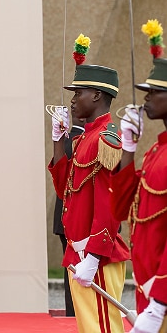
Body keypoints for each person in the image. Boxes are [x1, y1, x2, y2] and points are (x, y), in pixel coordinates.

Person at [48, 63, 130, 333]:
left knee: (104, 329)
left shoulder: (106, 139)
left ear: (95, 95)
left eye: (77, 93)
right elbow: (66, 191)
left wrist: (93, 257)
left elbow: (110, 206)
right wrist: (58, 141)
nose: (72, 101)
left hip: (96, 258)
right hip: (79, 254)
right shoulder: (85, 138)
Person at [110, 58, 167, 333]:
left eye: (155, 91)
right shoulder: (157, 151)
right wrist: (129, 146)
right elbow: (122, 209)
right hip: (149, 287)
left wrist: (160, 302)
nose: (147, 97)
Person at [52, 114, 85, 317]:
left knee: (72, 276)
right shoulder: (73, 141)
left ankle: (72, 316)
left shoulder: (69, 140)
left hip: (68, 219)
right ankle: (74, 316)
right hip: (76, 219)